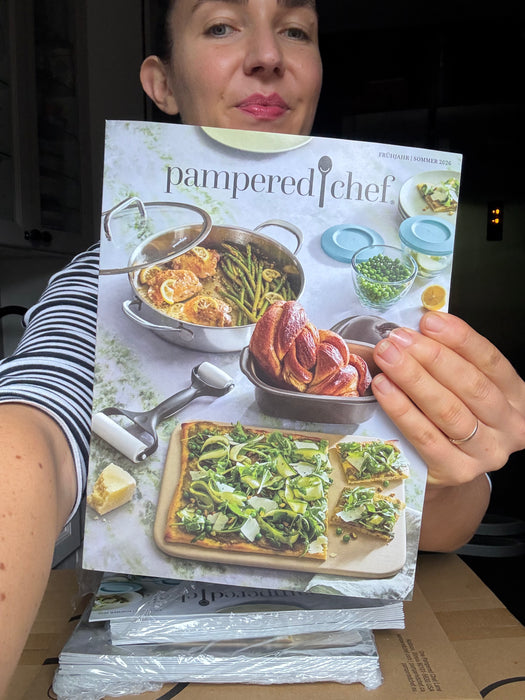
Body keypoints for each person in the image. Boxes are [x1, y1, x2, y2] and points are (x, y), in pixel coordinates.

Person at [1, 0, 524, 693]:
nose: (268, 55)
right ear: (161, 82)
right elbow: (34, 427)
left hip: (351, 653)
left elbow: (443, 529)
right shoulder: (103, 283)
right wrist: (24, 443)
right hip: (147, 658)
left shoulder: (364, 285)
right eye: (221, 25)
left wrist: (454, 460)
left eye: (294, 30)